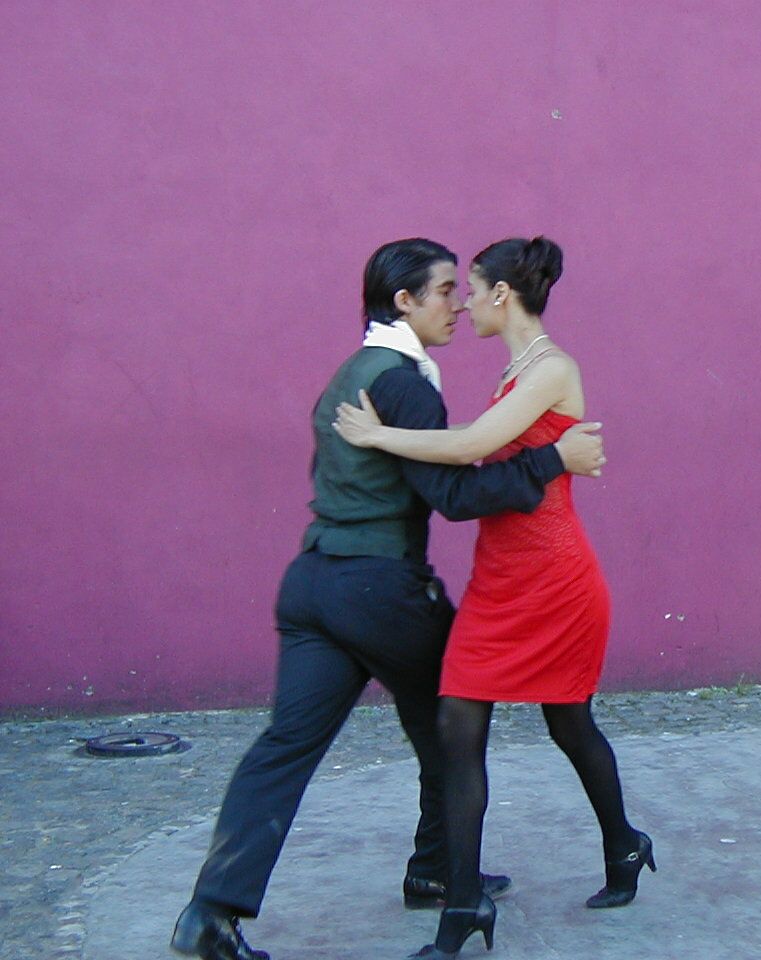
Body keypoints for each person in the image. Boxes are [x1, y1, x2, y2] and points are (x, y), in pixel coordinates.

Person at [170, 238, 606, 960]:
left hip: (311, 584)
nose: (457, 305)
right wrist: (550, 460)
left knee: (285, 747)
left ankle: (210, 912)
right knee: (456, 719)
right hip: (378, 590)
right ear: (403, 301)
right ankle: (438, 875)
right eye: (443, 290)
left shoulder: (349, 372)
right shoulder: (404, 382)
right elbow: (455, 494)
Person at [334, 236, 653, 959]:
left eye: (471, 289)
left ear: (502, 295)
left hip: (556, 581)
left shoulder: (552, 368)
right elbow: (491, 462)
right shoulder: (519, 370)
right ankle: (464, 901)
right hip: (499, 582)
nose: (463, 302)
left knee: (570, 726)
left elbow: (470, 444)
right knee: (459, 725)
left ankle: (624, 844)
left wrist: (377, 433)